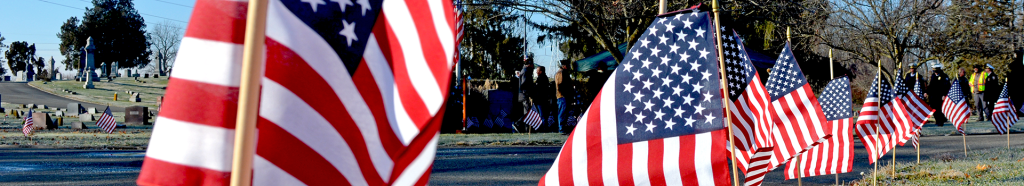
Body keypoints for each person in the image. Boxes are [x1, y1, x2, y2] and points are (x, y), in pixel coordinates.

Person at [554, 60, 574, 134]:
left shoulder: (564, 73)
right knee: (562, 112)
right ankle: (561, 128)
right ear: (564, 66)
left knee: (564, 112)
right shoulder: (560, 73)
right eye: (568, 65)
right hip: (562, 96)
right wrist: (564, 93)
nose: (569, 66)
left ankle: (563, 127)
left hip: (565, 96)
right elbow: (560, 84)